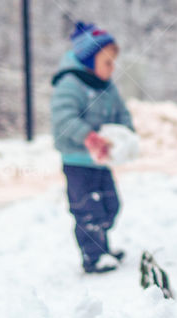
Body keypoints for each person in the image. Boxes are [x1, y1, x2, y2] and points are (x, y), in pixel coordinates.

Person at [51, 21, 133, 274]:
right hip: (77, 160)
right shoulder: (69, 84)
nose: (112, 68)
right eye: (107, 62)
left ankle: (103, 248)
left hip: (101, 161)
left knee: (110, 205)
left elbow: (122, 113)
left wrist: (126, 134)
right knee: (87, 209)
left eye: (113, 62)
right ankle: (93, 256)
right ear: (88, 61)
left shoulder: (108, 88)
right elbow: (63, 119)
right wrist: (88, 137)